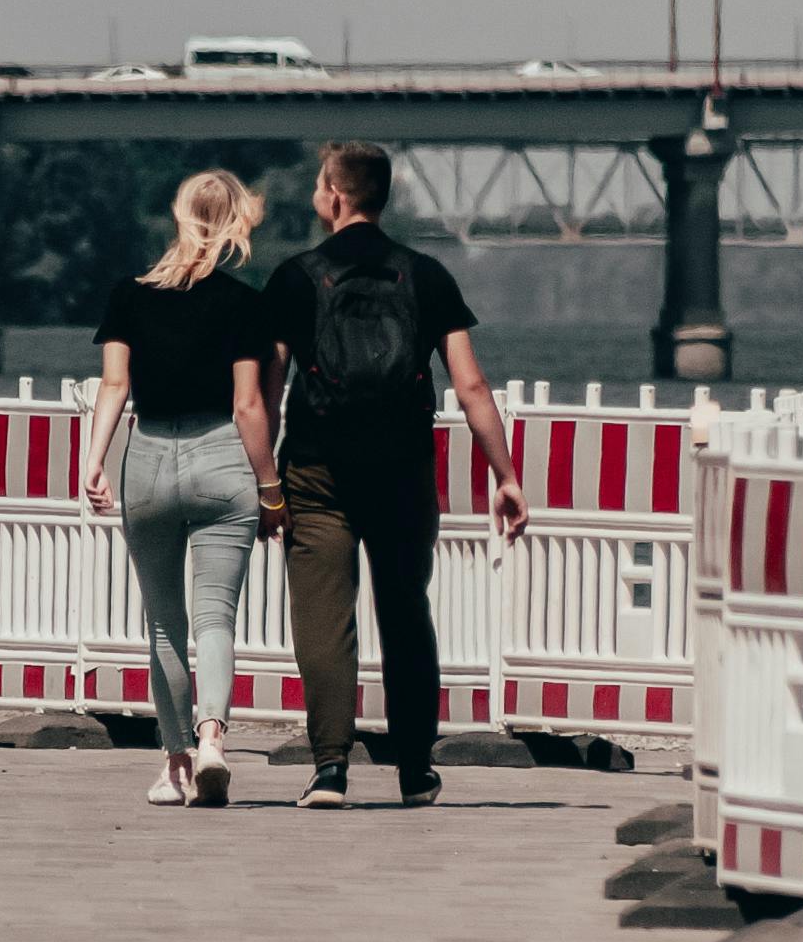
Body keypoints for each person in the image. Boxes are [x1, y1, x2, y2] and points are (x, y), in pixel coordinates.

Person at [260, 140, 529, 810]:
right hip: (403, 467)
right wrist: (506, 474)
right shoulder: (427, 275)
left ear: (336, 195)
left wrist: (265, 479)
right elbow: (470, 385)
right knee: (406, 611)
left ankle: (329, 769)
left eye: (321, 185)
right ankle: (415, 770)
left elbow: (265, 393)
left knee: (324, 619)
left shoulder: (295, 276)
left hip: (316, 466)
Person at [80, 169, 282, 807]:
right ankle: (215, 739)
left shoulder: (129, 296)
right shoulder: (243, 303)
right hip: (222, 455)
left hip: (146, 460)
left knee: (165, 625)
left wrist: (94, 460)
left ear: (179, 213)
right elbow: (250, 406)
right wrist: (270, 486)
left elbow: (114, 386)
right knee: (215, 618)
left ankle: (176, 765)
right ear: (234, 225)